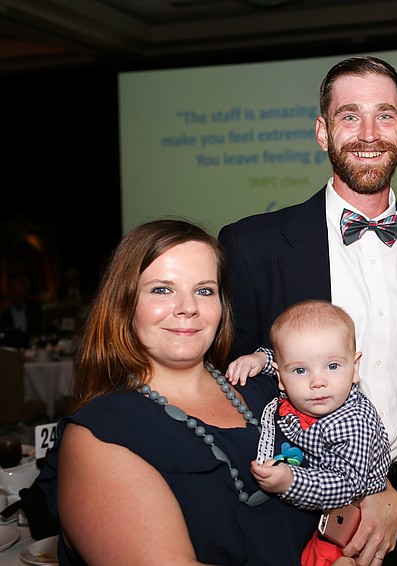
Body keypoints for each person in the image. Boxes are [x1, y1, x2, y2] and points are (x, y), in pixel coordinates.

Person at [219, 55, 397, 566]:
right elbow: (233, 391)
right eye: (350, 116)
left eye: (384, 115)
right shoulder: (254, 247)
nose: (369, 133)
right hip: (297, 507)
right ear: (323, 132)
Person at [35, 219, 318, 565]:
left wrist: (370, 501)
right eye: (161, 290)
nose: (188, 307)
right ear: (124, 303)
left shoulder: (270, 391)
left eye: (204, 291)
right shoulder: (100, 437)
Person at [228, 300, 391, 566]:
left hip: (349, 524)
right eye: (301, 370)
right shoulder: (306, 387)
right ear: (281, 378)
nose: (317, 381)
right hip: (314, 514)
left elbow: (348, 485)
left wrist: (290, 481)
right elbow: (286, 356)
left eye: (333, 366)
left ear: (355, 368)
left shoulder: (353, 422)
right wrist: (261, 359)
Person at [0, 274, 43, 348]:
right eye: (15, 290)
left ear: (27, 293)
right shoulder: (2, 308)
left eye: (22, 291)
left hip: (30, 347)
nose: (18, 295)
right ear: (8, 291)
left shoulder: (33, 307)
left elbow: (40, 330)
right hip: (8, 348)